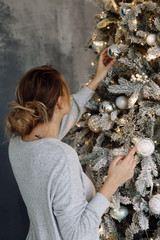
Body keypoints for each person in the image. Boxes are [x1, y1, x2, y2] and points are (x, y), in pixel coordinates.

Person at [5, 48, 136, 240]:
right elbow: (77, 235)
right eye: (68, 92)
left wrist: (96, 79)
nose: (71, 96)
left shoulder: (18, 143)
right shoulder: (61, 155)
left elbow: (58, 122)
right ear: (59, 103)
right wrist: (113, 182)